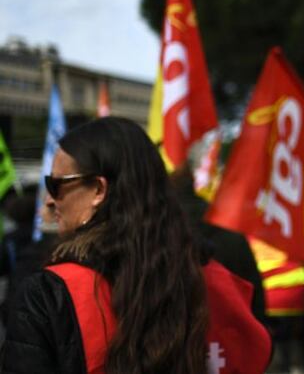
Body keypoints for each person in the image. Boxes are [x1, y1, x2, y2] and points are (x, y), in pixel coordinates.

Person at [1, 117, 271, 373]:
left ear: (98, 190)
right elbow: (255, 350)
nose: (49, 200)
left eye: (56, 184)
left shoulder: (50, 293)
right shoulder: (213, 277)